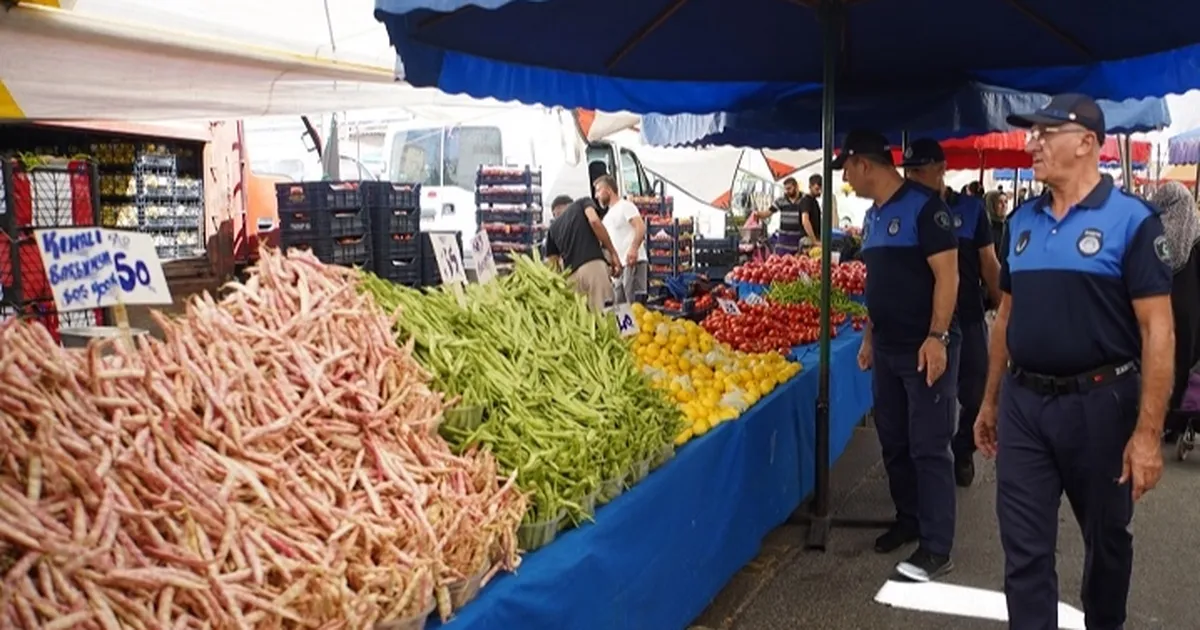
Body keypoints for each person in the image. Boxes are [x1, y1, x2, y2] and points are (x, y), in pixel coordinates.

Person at [974, 94, 1175, 630]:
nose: (1031, 142)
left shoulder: (1132, 222)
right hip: (1024, 407)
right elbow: (1007, 317)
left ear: (1087, 142)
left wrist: (1149, 434)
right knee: (1024, 553)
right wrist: (990, 400)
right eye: (1031, 133)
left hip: (1102, 408)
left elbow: (1159, 331)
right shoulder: (1019, 222)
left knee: (1107, 543)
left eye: (1045, 133)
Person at [836, 130, 960, 582]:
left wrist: (938, 337)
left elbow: (948, 276)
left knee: (929, 447)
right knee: (894, 442)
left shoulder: (927, 209)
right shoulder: (872, 217)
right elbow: (878, 286)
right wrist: (869, 337)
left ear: (865, 165)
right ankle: (908, 519)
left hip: (924, 348)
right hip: (886, 348)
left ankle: (937, 545)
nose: (846, 179)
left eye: (847, 169)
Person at [901, 139, 1002, 488]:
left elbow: (989, 263)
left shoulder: (972, 210)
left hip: (969, 316)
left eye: (918, 170)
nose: (911, 177)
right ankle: (929, 467)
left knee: (975, 394)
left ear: (940, 170)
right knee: (928, 401)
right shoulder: (906, 209)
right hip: (922, 322)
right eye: (907, 171)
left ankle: (962, 450)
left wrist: (1003, 303)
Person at [1149, 182, 1200, 439]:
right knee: (1183, 363)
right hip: (1189, 312)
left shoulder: (1153, 232)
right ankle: (1176, 421)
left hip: (1156, 306)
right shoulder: (1196, 235)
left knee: (1156, 360)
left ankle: (1155, 416)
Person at [545, 196, 622, 311]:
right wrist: (613, 252)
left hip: (572, 279)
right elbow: (594, 221)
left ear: (555, 213)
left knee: (583, 322)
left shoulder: (552, 229)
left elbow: (553, 265)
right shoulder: (581, 203)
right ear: (570, 205)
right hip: (593, 269)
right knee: (607, 316)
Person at [594, 175, 649, 304]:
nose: (596, 196)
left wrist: (634, 249)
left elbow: (640, 227)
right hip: (620, 268)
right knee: (621, 310)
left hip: (633, 262)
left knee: (635, 308)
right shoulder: (607, 217)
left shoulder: (625, 206)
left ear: (608, 190)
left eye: (598, 190)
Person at [755, 177, 805, 254]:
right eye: (785, 189)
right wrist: (758, 214)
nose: (787, 191)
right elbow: (768, 212)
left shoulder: (805, 199)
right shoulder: (781, 200)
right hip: (783, 241)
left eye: (789, 188)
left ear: (796, 187)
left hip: (798, 240)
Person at [798, 174, 823, 246]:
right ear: (810, 186)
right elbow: (805, 221)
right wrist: (814, 240)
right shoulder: (806, 201)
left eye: (821, 189)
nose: (819, 192)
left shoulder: (814, 201)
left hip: (813, 238)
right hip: (808, 240)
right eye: (817, 189)